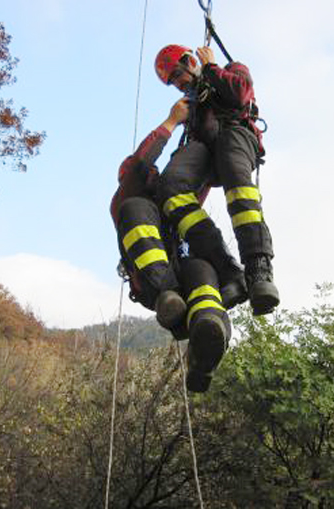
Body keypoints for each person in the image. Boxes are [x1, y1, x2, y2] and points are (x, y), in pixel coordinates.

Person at [110, 99, 237, 391]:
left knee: (202, 269)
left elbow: (198, 174)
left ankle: (205, 352)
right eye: (150, 175)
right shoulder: (125, 201)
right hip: (154, 284)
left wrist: (205, 111)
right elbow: (141, 162)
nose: (154, 176)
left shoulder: (169, 199)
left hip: (182, 273)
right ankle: (168, 296)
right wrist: (172, 121)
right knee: (137, 208)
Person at [154, 44, 279, 316]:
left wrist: (210, 68)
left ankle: (258, 270)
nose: (177, 82)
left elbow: (240, 92)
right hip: (207, 150)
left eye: (178, 73)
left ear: (190, 60)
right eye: (172, 80)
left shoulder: (231, 70)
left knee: (236, 179)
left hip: (235, 134)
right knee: (170, 186)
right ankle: (228, 270)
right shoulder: (193, 104)